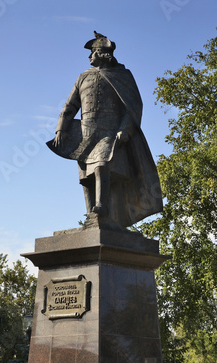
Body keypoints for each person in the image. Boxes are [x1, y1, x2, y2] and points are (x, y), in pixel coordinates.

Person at [48, 31, 162, 228]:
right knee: (85, 178)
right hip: (84, 134)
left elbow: (132, 106)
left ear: (102, 53)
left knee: (101, 165)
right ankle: (90, 216)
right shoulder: (83, 77)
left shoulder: (122, 76)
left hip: (109, 132)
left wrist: (124, 131)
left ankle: (102, 207)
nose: (89, 56)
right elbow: (69, 106)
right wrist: (60, 130)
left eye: (92, 52)